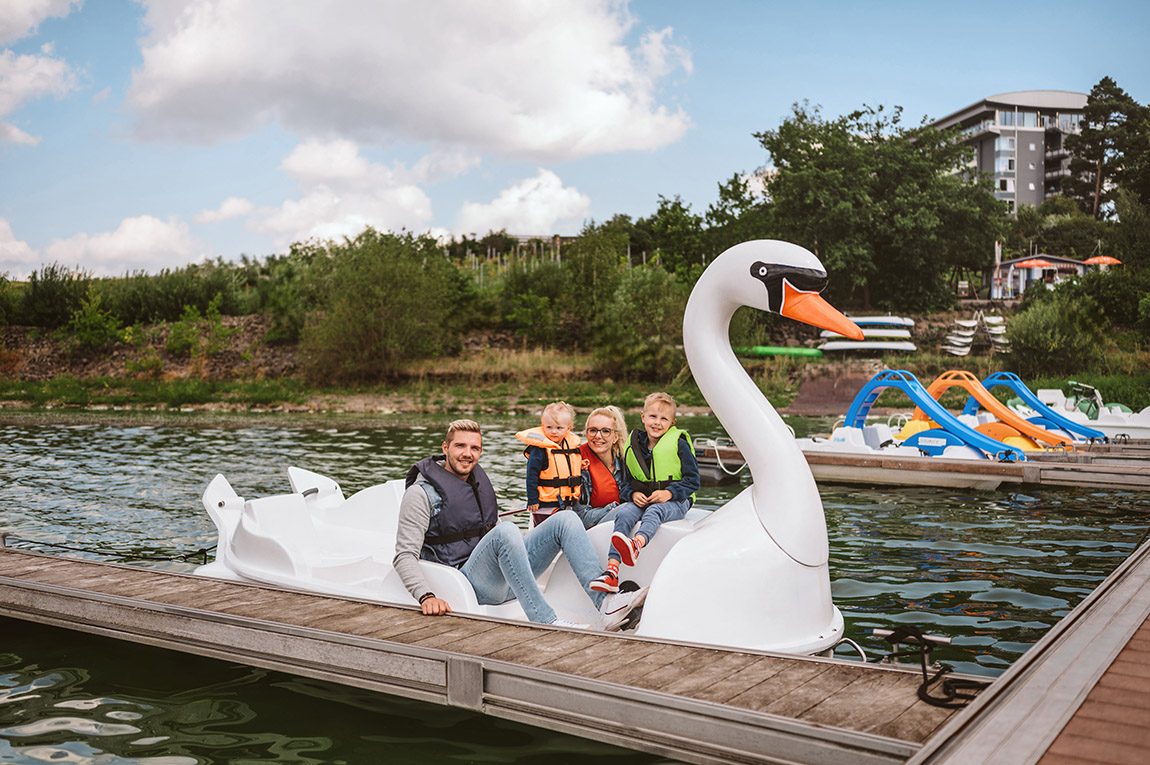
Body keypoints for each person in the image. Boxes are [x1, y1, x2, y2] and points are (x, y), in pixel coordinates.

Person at [393, 418, 645, 629]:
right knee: (506, 530)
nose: (468, 454)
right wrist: (426, 596)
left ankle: (606, 605)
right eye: (460, 446)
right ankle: (545, 620)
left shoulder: (474, 480)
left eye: (475, 448)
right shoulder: (421, 494)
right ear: (445, 447)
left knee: (566, 519)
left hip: (506, 576)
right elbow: (404, 556)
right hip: (468, 582)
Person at [590, 393, 700, 593]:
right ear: (643, 417)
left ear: (672, 423)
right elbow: (626, 483)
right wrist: (632, 494)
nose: (657, 423)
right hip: (644, 499)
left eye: (663, 419)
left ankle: (636, 544)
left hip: (676, 500)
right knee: (624, 513)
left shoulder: (679, 443)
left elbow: (693, 481)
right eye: (653, 417)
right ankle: (612, 570)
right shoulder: (635, 445)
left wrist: (669, 493)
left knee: (654, 512)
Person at [517, 401, 582, 528]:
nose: (553, 432)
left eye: (559, 428)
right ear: (543, 426)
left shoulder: (569, 445)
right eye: (549, 427)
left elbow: (569, 465)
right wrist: (533, 499)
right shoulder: (539, 450)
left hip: (566, 503)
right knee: (545, 530)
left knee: (562, 528)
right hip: (544, 505)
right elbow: (531, 476)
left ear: (568, 428)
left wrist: (582, 464)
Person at [573, 405, 628, 529]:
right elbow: (582, 518)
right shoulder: (580, 464)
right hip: (592, 533)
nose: (598, 436)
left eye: (605, 431)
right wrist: (614, 509)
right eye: (593, 430)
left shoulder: (626, 463)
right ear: (586, 433)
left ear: (615, 437)